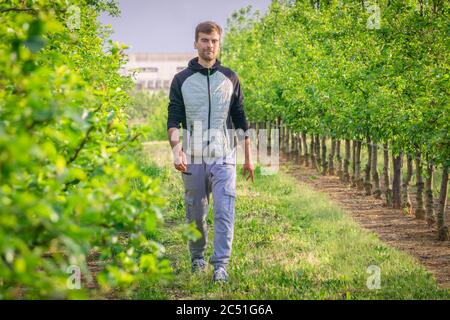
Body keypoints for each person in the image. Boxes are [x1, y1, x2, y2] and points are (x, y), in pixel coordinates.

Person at [167, 21, 254, 283]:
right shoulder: (181, 79)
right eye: (204, 40)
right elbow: (174, 120)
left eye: (214, 40)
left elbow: (241, 119)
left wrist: (248, 159)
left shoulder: (230, 77)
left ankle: (221, 266)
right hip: (193, 157)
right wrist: (176, 149)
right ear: (196, 43)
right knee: (195, 212)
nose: (209, 45)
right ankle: (197, 258)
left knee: (225, 211)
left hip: (224, 155)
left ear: (219, 43)